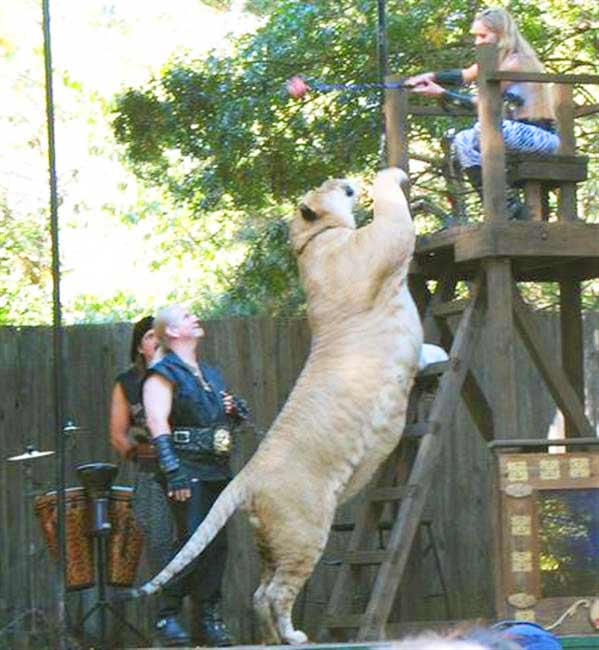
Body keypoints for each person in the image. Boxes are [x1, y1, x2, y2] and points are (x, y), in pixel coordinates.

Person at [143, 304, 248, 647]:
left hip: (217, 469)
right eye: (187, 316)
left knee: (217, 546)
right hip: (186, 468)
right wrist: (172, 470)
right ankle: (166, 613)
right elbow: (157, 421)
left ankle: (208, 619)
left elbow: (215, 419)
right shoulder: (162, 371)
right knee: (192, 543)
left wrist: (233, 411)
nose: (195, 318)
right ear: (172, 332)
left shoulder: (210, 374)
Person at [406, 7, 560, 220]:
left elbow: (483, 106)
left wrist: (440, 93)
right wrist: (426, 76)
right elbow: (465, 75)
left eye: (483, 36)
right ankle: (505, 204)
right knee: (462, 139)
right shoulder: (496, 60)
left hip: (542, 137)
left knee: (483, 128)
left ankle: (506, 204)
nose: (478, 42)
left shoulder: (516, 62)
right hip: (517, 135)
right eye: (476, 36)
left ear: (501, 34)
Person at [109, 316, 175, 633]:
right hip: (151, 475)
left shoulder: (181, 375)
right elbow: (118, 436)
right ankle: (166, 620)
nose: (157, 341)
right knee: (161, 545)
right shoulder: (127, 383)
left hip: (190, 471)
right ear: (139, 345)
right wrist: (140, 452)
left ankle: (204, 618)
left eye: (161, 336)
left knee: (200, 544)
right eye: (151, 336)